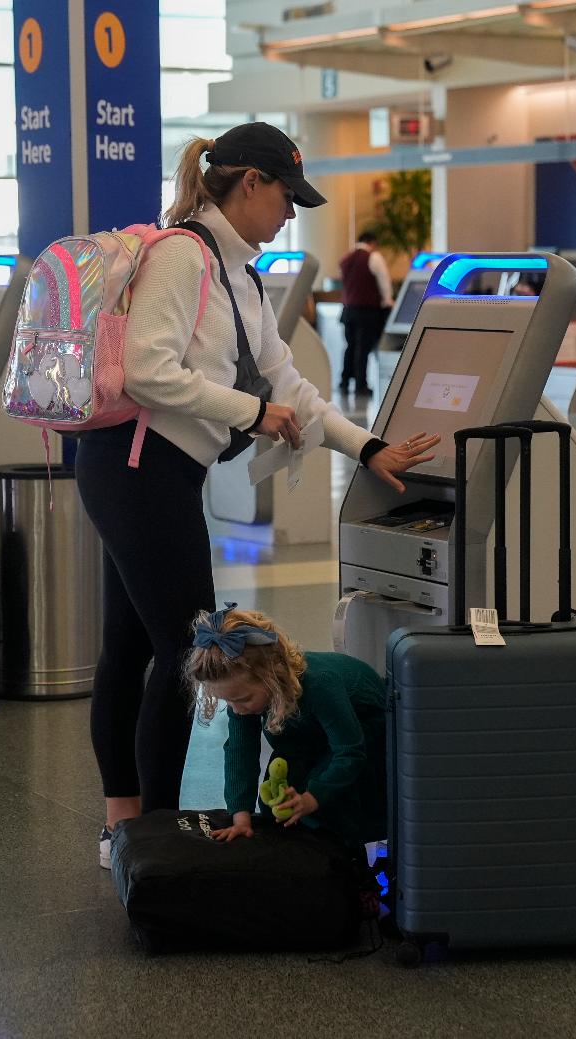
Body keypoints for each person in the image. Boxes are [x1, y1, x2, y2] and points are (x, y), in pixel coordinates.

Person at [75, 121, 439, 869]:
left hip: (159, 472)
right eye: (285, 197)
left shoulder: (239, 274)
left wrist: (366, 445)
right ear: (250, 183)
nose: (289, 214)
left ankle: (126, 828)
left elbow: (288, 383)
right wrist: (251, 412)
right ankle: (147, 834)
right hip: (135, 469)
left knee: (136, 645)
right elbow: (147, 371)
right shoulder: (184, 255)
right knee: (188, 651)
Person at [186, 604, 387, 851]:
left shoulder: (320, 684)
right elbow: (240, 752)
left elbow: (350, 751)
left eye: (243, 700)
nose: (236, 709)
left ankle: (347, 862)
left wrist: (311, 799)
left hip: (365, 729)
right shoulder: (243, 697)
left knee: (329, 807)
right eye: (228, 701)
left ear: (272, 676)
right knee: (275, 809)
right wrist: (241, 817)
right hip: (308, 736)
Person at [337, 229, 394, 397]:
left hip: (348, 310)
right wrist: (388, 301)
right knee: (363, 348)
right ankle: (361, 385)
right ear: (372, 242)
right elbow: (384, 282)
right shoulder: (373, 257)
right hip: (367, 311)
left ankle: (344, 382)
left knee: (350, 346)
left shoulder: (345, 258)